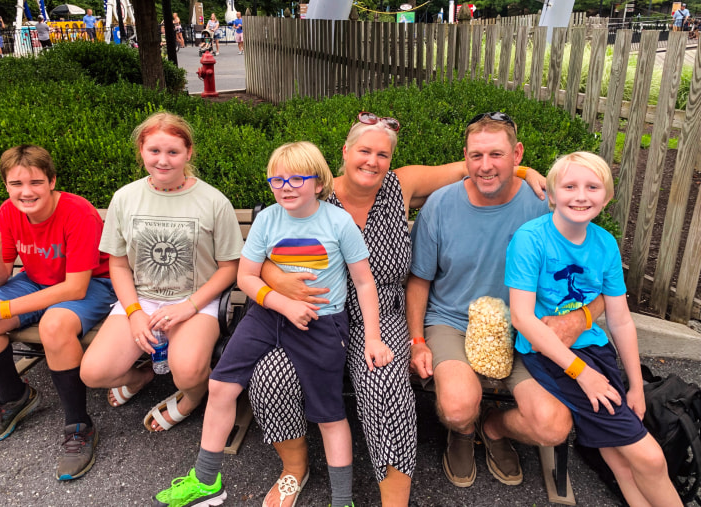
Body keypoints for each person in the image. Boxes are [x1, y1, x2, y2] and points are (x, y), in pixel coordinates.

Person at [247, 112, 548, 506]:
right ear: (345, 151)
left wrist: (525, 170)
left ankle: (394, 501)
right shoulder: (315, 193)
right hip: (311, 314)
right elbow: (265, 243)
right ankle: (294, 470)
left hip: (383, 314)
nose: (372, 161)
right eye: (364, 151)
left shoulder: (400, 185)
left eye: (382, 154)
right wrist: (273, 275)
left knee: (385, 385)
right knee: (270, 377)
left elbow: (474, 167)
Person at [152, 141, 392, 507]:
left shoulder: (338, 222)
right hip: (267, 315)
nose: (286, 187)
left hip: (322, 324)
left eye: (297, 178)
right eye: (277, 180)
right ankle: (206, 481)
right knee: (220, 386)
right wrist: (282, 303)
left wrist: (372, 338)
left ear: (319, 183)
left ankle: (342, 499)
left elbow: (363, 281)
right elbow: (247, 276)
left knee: (329, 415)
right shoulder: (267, 219)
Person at [406, 112, 602, 490]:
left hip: (524, 327)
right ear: (465, 156)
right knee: (457, 406)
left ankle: (494, 426)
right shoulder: (440, 206)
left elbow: (601, 286)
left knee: (553, 425)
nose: (485, 166)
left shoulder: (544, 206)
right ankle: (462, 430)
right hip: (452, 319)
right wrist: (417, 341)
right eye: (476, 155)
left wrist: (579, 319)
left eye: (496, 154)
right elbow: (419, 281)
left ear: (517, 154)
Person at [506, 151, 682, 507]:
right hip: (549, 353)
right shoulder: (531, 240)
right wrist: (581, 373)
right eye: (569, 186)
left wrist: (635, 385)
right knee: (649, 458)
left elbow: (619, 319)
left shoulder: (604, 244)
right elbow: (522, 318)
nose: (581, 195)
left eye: (592, 186)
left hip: (596, 351)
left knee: (621, 459)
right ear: (552, 194)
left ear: (607, 196)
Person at [0, 145, 116, 480]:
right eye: (16, 184)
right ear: (6, 186)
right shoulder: (8, 212)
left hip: (94, 284)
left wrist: (5, 308)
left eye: (35, 182)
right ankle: (15, 397)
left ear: (52, 181)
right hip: (36, 281)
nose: (26, 192)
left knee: (55, 324)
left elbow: (75, 289)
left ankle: (78, 426)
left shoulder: (79, 212)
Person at [80, 112, 243, 433]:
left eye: (173, 152)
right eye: (154, 151)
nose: (163, 161)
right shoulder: (125, 198)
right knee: (93, 373)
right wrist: (134, 312)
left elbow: (230, 268)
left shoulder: (214, 202)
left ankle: (193, 397)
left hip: (197, 301)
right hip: (142, 299)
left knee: (187, 372)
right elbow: (118, 264)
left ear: (189, 153)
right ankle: (141, 376)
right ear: (141, 150)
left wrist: (189, 306)